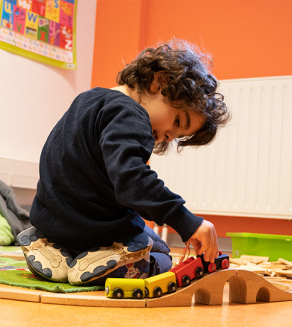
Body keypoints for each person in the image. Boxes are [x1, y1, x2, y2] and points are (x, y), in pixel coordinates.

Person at [18, 38, 230, 286]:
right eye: (176, 122)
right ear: (159, 82)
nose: (166, 136)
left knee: (144, 234)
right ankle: (110, 258)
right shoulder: (132, 115)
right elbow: (133, 182)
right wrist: (187, 221)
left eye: (175, 137)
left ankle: (49, 247)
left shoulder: (86, 100)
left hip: (52, 225)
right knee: (161, 252)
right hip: (97, 232)